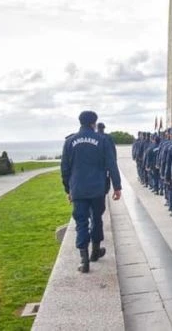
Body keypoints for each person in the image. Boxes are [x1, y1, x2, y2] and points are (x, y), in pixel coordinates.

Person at [61, 111, 122, 273]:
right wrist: (117, 186)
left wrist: (68, 189)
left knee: (81, 222)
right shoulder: (101, 140)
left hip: (78, 189)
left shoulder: (69, 142)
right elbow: (111, 164)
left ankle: (84, 260)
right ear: (93, 123)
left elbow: (65, 169)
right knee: (96, 219)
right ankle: (95, 251)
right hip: (97, 188)